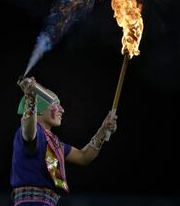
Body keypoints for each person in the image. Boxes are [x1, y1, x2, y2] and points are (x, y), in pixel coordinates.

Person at [10, 77, 117, 206]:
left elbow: (84, 157)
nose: (62, 109)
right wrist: (31, 100)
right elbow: (28, 133)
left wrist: (103, 130)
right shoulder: (31, 133)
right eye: (55, 105)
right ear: (41, 109)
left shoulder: (55, 143)